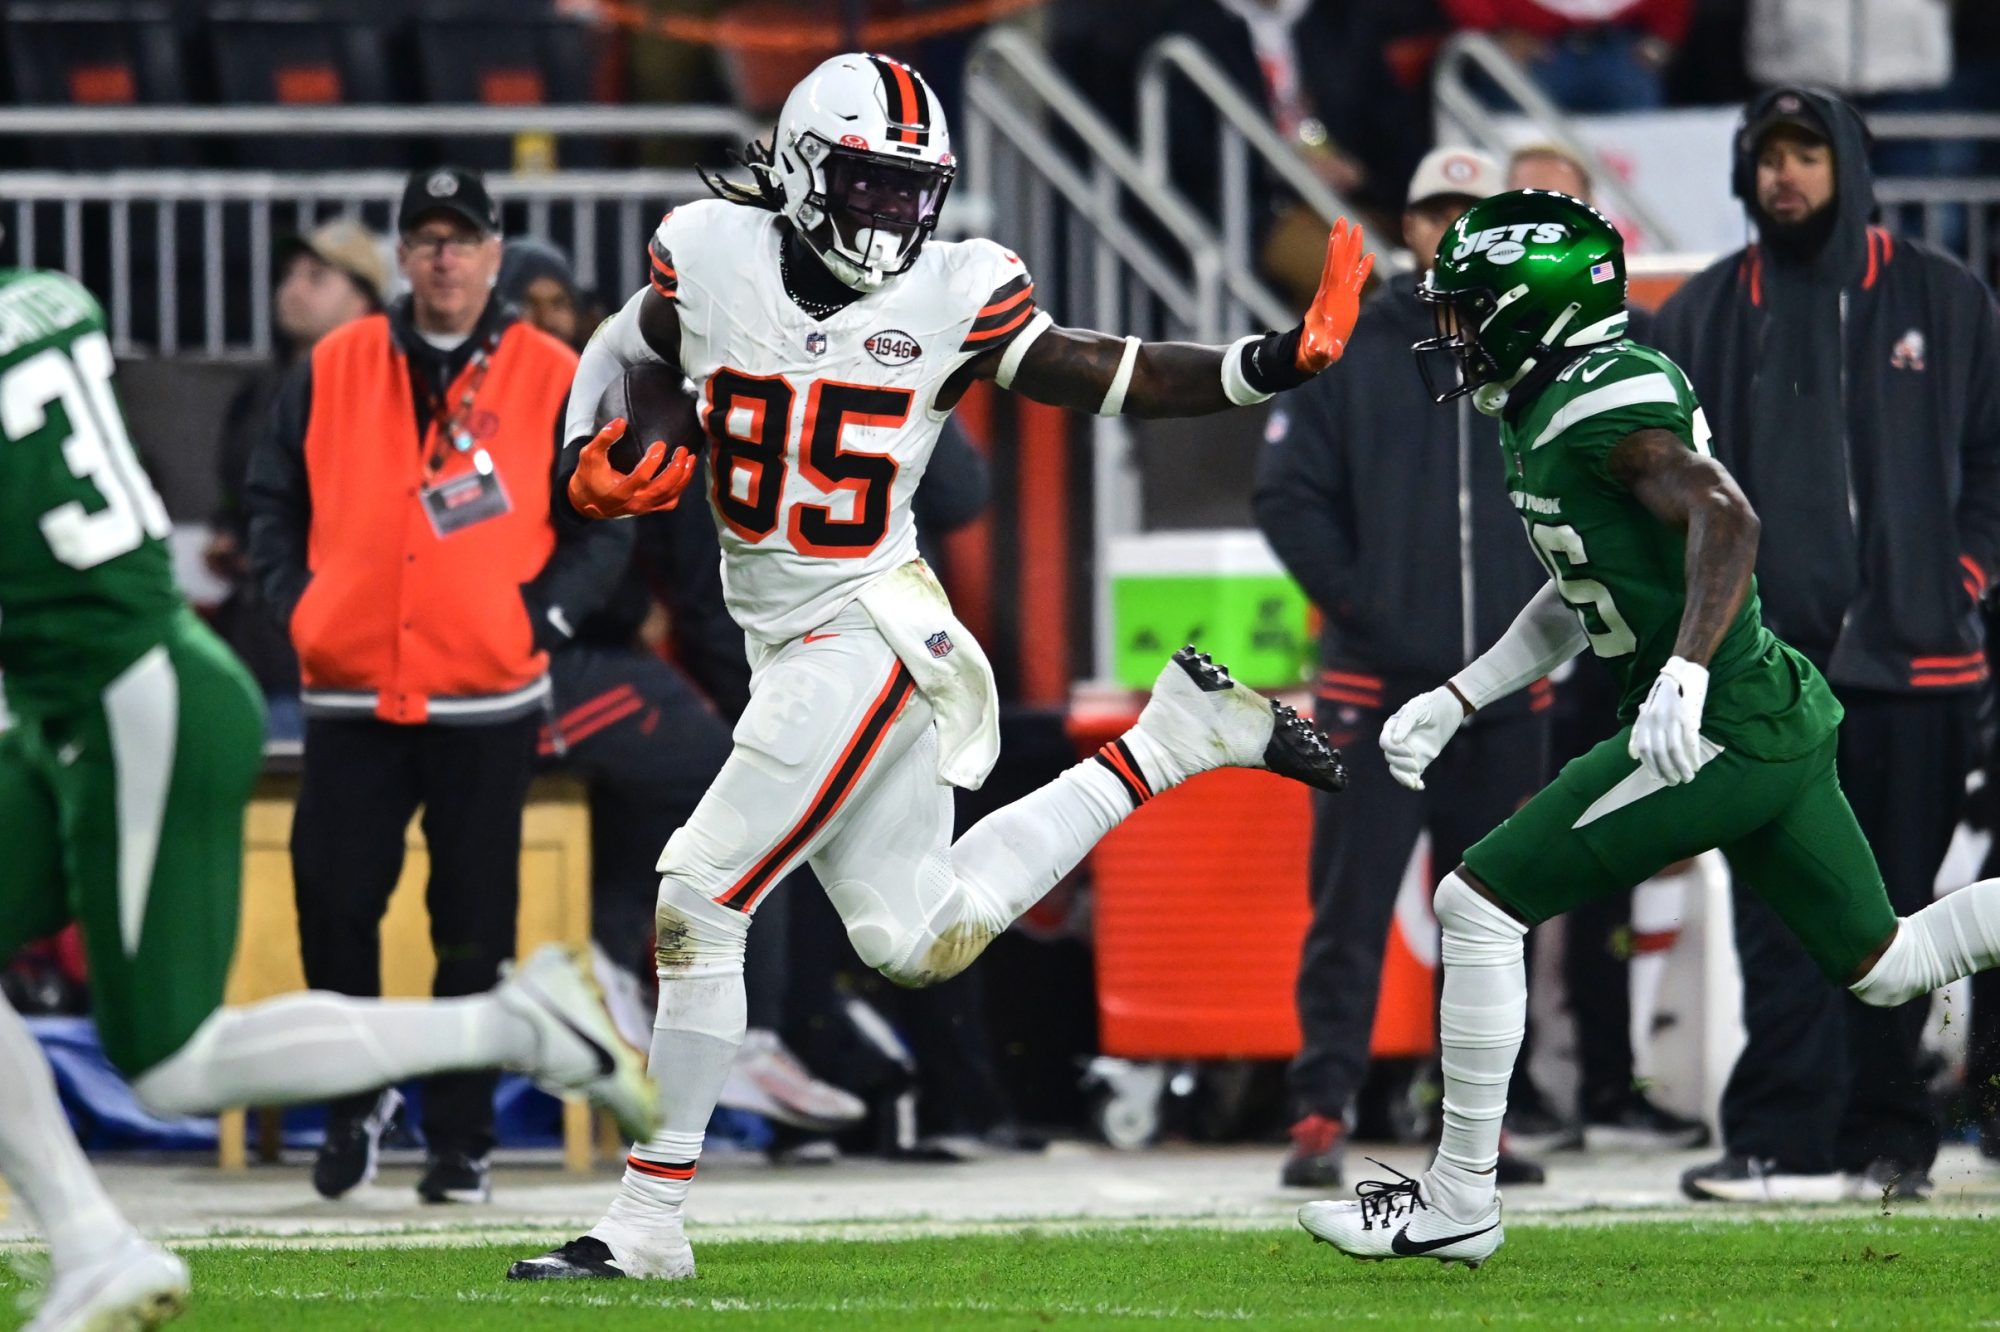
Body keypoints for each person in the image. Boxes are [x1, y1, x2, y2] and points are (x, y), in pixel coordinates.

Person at [505, 51, 1363, 1281]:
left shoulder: (960, 290)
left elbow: (1103, 370)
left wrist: (1263, 362)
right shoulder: (707, 249)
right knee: (913, 939)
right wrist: (578, 461)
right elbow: (625, 345)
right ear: (803, 170)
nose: (895, 217)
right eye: (870, 185)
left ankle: (645, 1223)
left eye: (915, 192)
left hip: (868, 631)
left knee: (700, 891)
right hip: (790, 640)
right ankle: (1172, 744)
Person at [1295, 187, 2000, 1267]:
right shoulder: (1552, 399)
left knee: (1474, 904)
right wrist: (1462, 693)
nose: (1452, 332)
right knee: (1888, 964)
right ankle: (1455, 1199)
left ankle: (1457, 1201)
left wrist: (1680, 670)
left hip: (1715, 718)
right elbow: (1589, 583)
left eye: (1470, 308)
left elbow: (1726, 516)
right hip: (1763, 710)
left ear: (1531, 312)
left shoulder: (1598, 402)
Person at [0, 265, 657, 1332]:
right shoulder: (50, 298)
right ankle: (87, 1247)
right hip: (97, 696)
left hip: (127, 700)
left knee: (171, 1065)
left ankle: (511, 1022)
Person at [246, 166, 636, 1206]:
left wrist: (539, 619)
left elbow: (606, 514)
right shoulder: (335, 362)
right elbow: (269, 496)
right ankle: (354, 1100)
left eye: (462, 238)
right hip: (352, 691)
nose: (444, 256)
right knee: (333, 907)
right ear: (403, 254)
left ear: (495, 254)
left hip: (483, 692)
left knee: (472, 923)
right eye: (425, 238)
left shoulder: (555, 369)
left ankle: (459, 1140)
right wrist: (301, 606)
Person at [1652, 88, 2000, 1202]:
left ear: (1846, 164)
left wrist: (1952, 582)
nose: (1783, 177)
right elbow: (1664, 496)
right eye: (1765, 158)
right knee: (1770, 915)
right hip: (1764, 678)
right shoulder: (1702, 313)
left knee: (1895, 914)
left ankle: (1890, 1137)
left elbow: (1993, 462)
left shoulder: (1943, 299)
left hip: (1917, 672)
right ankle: (1773, 1135)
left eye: (1805, 154)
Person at [1254, 145, 1558, 1189]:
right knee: (1349, 903)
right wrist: (1375, 615)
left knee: (1489, 912)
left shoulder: (1531, 345)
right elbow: (1285, 497)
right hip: (1374, 687)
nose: (1449, 229)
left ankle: (1477, 1124)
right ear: (1410, 226)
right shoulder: (1350, 345)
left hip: (1501, 689)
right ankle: (1319, 1107)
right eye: (1434, 211)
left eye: (1470, 212)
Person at [1502, 143, 1709, 1153]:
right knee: (1519, 878)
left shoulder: (1627, 363)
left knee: (1598, 872)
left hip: (1638, 658)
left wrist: (1686, 661)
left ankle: (1602, 1083)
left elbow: (1713, 511)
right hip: (1542, 641)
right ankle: (1541, 1089)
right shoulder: (1484, 353)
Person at [207, 218, 387, 740]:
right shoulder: (260, 391)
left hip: (341, 645)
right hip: (260, 638)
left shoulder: (382, 390)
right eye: (288, 275)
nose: (292, 289)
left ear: (363, 301)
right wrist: (232, 534)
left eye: (316, 276)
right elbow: (236, 494)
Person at [1444, 0, 1690, 113]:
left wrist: (1663, 35)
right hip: (1533, 52)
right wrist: (1493, 31)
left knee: (1637, 155)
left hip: (1619, 50)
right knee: (1529, 156)